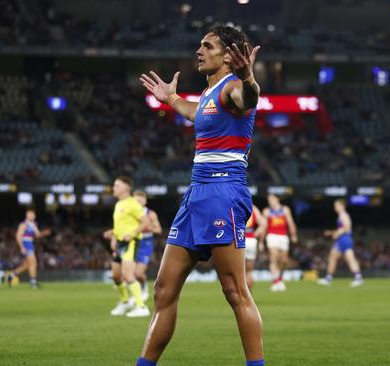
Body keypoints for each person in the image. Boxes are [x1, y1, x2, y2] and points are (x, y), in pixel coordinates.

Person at [138, 23, 264, 365]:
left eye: (208, 46)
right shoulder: (209, 94)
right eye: (200, 45)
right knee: (163, 290)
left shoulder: (234, 87)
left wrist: (250, 78)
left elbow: (249, 98)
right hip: (196, 194)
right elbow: (195, 114)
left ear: (229, 55)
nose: (200, 51)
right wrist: (172, 99)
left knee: (235, 291)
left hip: (224, 192)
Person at [107, 176, 150, 317]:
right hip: (119, 243)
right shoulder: (119, 204)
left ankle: (141, 307)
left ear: (126, 188)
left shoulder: (133, 204)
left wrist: (132, 234)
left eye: (116, 185)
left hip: (130, 242)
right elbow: (120, 226)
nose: (114, 188)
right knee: (115, 276)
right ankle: (125, 302)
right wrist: (113, 235)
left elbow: (145, 222)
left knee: (128, 275)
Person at [318, 199, 364, 287]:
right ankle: (328, 278)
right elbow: (342, 228)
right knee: (333, 257)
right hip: (342, 239)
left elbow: (347, 227)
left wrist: (337, 234)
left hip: (344, 239)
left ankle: (358, 278)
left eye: (336, 205)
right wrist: (332, 232)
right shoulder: (341, 215)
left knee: (349, 259)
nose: (335, 207)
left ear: (341, 206)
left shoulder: (343, 215)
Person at [7, 208, 50, 289]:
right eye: (29, 214)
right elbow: (18, 236)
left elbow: (37, 235)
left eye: (32, 214)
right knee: (33, 262)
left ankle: (11, 274)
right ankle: (33, 282)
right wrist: (22, 247)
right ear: (27, 215)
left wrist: (44, 233)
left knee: (27, 265)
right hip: (26, 244)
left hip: (30, 244)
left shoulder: (33, 224)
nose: (31, 216)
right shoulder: (23, 224)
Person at [262, 194, 297, 292]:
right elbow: (263, 226)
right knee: (273, 258)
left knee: (284, 260)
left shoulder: (285, 209)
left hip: (283, 236)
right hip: (272, 236)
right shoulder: (266, 211)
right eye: (269, 199)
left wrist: (293, 235)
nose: (270, 201)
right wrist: (261, 241)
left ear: (277, 199)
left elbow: (290, 223)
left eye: (272, 199)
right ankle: (276, 281)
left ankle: (279, 279)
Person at [133, 190, 162, 302]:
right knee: (130, 273)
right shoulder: (131, 213)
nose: (138, 203)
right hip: (133, 242)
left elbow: (158, 229)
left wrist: (147, 228)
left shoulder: (150, 214)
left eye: (140, 200)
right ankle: (134, 294)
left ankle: (144, 286)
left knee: (138, 273)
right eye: (136, 201)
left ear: (145, 201)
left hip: (145, 243)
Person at [244, 205, 267, 290]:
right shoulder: (253, 207)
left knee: (239, 272)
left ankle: (241, 296)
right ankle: (249, 296)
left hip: (239, 240)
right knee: (249, 271)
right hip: (251, 241)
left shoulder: (235, 202)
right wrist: (254, 235)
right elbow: (263, 224)